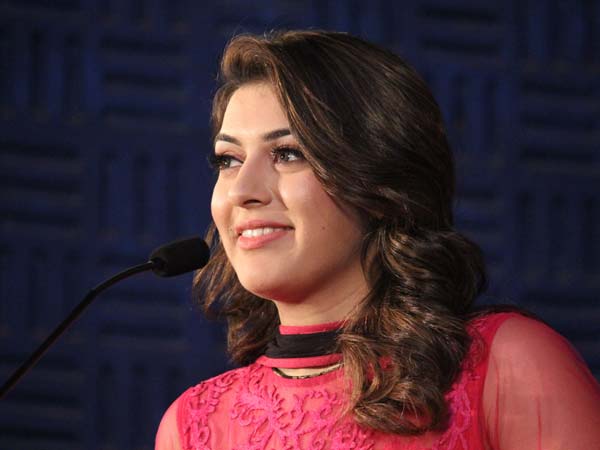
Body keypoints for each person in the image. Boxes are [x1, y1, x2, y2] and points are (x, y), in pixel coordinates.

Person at [155, 30, 600, 449]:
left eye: (288, 154)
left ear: (381, 186)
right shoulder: (192, 426)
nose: (242, 190)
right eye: (229, 160)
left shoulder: (506, 366)